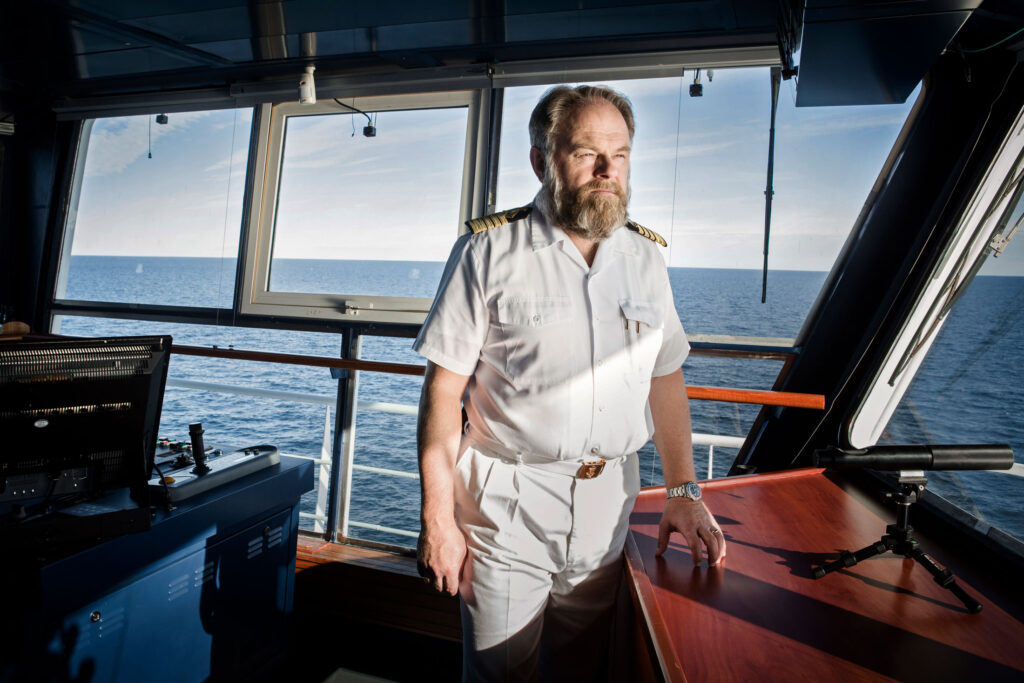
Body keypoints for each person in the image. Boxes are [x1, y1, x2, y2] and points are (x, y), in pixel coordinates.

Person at [413, 84, 726, 681]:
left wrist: (685, 493)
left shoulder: (645, 259)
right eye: (587, 153)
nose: (608, 171)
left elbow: (665, 377)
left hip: (609, 505)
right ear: (542, 160)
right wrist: (437, 519)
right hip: (506, 506)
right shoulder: (487, 253)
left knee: (583, 668)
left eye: (621, 154)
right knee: (498, 672)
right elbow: (442, 394)